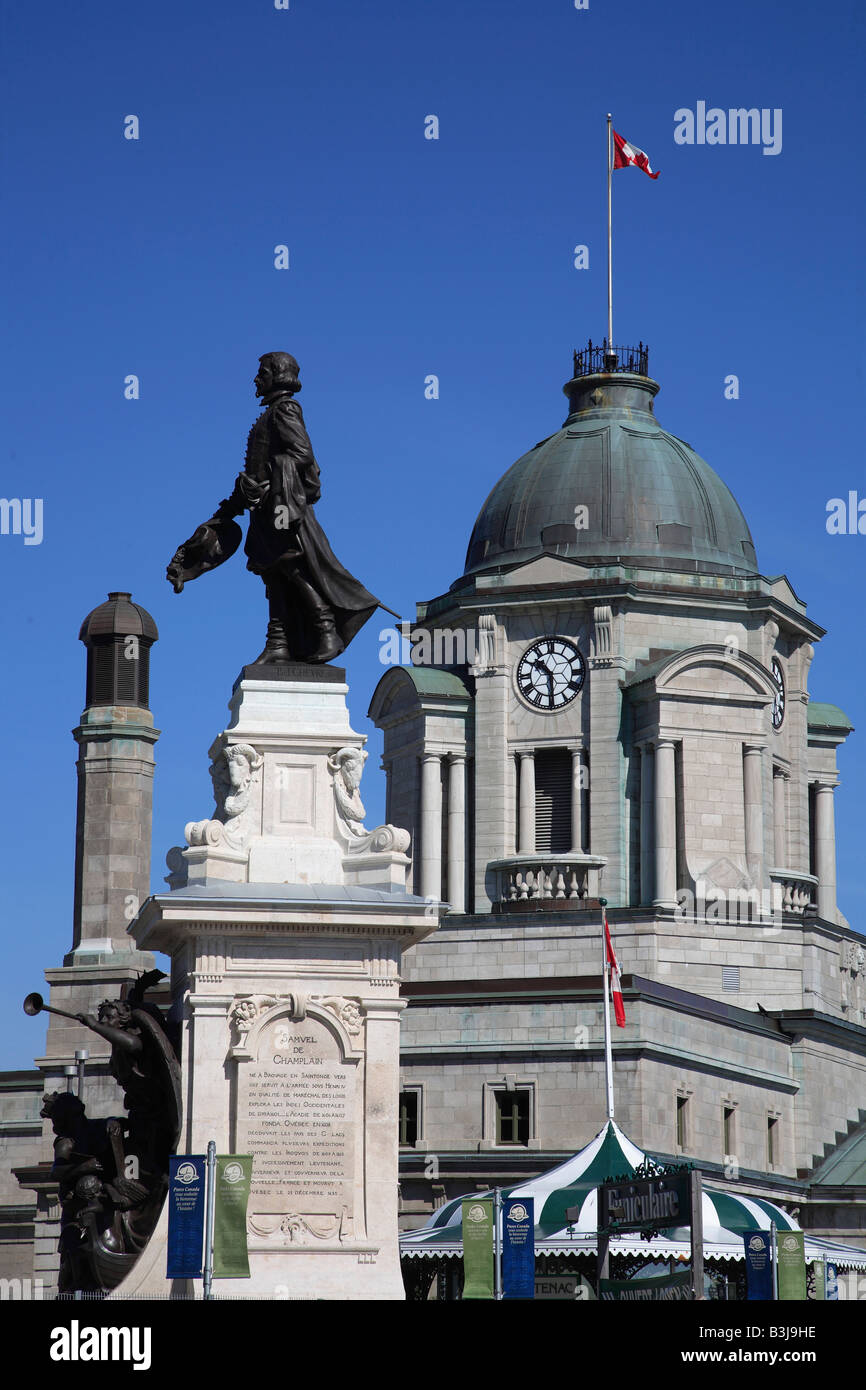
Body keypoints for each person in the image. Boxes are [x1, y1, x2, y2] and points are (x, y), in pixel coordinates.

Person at [167, 351, 380, 664]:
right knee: (274, 575)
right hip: (266, 511)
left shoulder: (285, 409)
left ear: (277, 374)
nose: (256, 379)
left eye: (262, 373)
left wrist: (268, 480)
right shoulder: (269, 414)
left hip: (283, 509)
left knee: (290, 566)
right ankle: (277, 644)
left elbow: (301, 453)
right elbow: (254, 475)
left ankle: (327, 630)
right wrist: (229, 509)